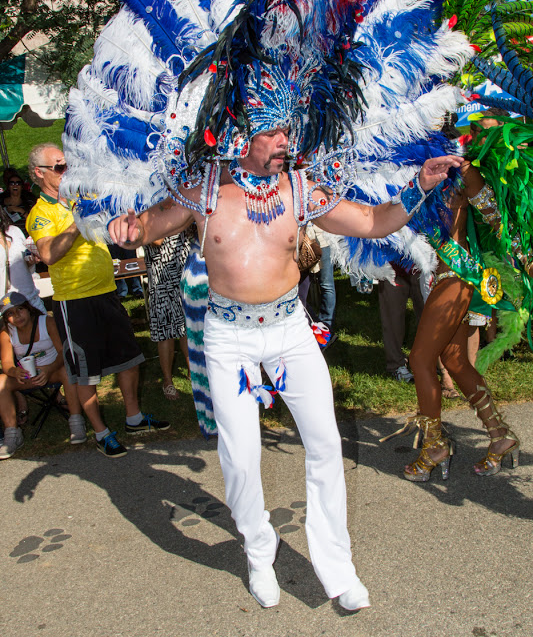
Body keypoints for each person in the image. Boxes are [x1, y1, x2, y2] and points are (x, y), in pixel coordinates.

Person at [109, 130, 460, 611]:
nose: (284, 142)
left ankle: (339, 569)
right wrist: (126, 229)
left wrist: (420, 185)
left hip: (290, 333)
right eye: (272, 133)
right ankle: (258, 551)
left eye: (287, 131)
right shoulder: (204, 189)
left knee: (325, 442)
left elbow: (374, 221)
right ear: (241, 136)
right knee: (240, 453)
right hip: (229, 339)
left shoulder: (299, 188)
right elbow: (145, 228)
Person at [26, 143, 170, 458]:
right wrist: (77, 222)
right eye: (60, 167)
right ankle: (101, 432)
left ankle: (133, 417)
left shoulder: (81, 197)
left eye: (67, 165)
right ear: (40, 173)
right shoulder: (41, 213)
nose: (67, 171)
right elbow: (49, 254)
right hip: (74, 301)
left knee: (129, 358)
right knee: (85, 371)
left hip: (106, 290)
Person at [382, 158, 521, 481]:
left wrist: (521, 256)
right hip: (438, 275)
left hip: (456, 274)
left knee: (420, 359)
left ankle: (433, 445)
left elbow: (497, 219)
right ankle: (500, 435)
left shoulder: (461, 167)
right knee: (456, 361)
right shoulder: (410, 164)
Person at [0, 291, 86, 459]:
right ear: (5, 318)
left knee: (66, 370)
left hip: (53, 371)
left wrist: (49, 369)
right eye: (10, 314)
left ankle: (76, 423)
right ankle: (12, 435)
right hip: (27, 377)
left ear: (28, 309)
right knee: (0, 381)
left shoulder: (47, 322)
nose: (17, 316)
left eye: (20, 310)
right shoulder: (6, 333)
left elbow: (63, 352)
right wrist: (14, 371)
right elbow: (7, 364)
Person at [144, 232, 191, 400]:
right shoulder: (148, 210)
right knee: (166, 332)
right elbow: (155, 240)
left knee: (188, 327)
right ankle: (167, 381)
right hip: (162, 278)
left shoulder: (180, 206)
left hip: (184, 270)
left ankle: (192, 372)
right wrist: (174, 221)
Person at [377, 264, 425, 382]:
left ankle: (433, 360)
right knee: (392, 318)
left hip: (422, 264)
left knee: (428, 317)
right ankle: (396, 364)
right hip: (390, 265)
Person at [0, 205, 45, 315]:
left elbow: (28, 266)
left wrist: (31, 261)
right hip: (5, 307)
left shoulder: (14, 231)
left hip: (30, 300)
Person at [0, 168, 36, 235]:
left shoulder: (29, 202)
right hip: (8, 238)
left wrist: (21, 210)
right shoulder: (1, 204)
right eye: (12, 183)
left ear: (22, 186)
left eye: (18, 183)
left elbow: (34, 222)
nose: (15, 185)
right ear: (8, 186)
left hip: (26, 237)